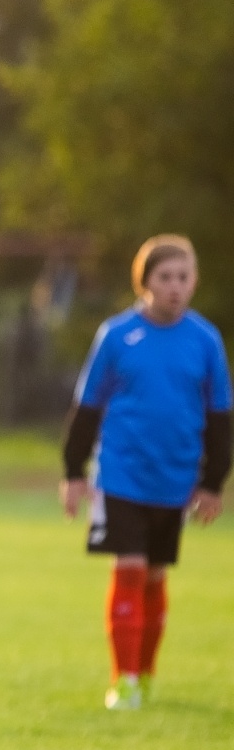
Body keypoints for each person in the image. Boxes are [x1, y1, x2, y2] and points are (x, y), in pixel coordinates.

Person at [60, 235, 230, 710]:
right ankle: (125, 680)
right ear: (145, 281)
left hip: (174, 478)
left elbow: (219, 417)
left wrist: (214, 482)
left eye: (184, 277)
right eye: (165, 277)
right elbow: (87, 408)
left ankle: (148, 673)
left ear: (194, 281)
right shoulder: (116, 335)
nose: (175, 287)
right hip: (121, 472)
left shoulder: (206, 340)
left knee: (155, 575)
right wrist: (74, 472)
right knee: (130, 567)